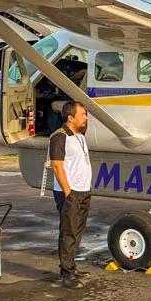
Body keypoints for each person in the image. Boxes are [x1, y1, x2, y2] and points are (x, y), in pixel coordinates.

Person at [49, 101, 93, 289]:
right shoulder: (59, 137)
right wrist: (68, 191)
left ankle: (72, 267)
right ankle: (66, 274)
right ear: (70, 117)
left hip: (83, 191)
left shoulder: (79, 136)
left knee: (77, 231)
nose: (86, 117)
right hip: (70, 193)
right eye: (82, 114)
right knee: (68, 232)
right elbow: (57, 166)